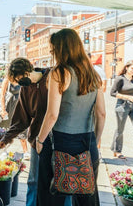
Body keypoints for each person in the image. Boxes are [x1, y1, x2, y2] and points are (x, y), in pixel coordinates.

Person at [36, 28, 105, 206]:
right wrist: (96, 140)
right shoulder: (93, 74)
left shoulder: (59, 73)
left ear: (61, 49)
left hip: (60, 141)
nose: (51, 52)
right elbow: (101, 113)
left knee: (50, 196)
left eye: (53, 48)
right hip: (87, 142)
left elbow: (52, 114)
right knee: (87, 196)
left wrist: (39, 139)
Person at [0, 60, 50, 206]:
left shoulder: (52, 78)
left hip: (56, 139)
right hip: (35, 140)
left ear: (26, 73)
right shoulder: (25, 89)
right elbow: (21, 119)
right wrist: (6, 138)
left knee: (54, 182)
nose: (18, 85)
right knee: (33, 180)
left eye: (18, 80)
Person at [0, 58, 31, 159]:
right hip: (10, 105)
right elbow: (2, 94)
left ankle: (25, 151)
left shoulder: (26, 81)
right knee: (6, 126)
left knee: (22, 128)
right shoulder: (8, 79)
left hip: (19, 104)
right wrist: (3, 109)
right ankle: (4, 150)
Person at [110, 60, 133, 159]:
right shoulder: (120, 79)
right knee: (120, 129)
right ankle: (117, 151)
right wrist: (128, 97)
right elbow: (112, 93)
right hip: (122, 106)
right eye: (132, 68)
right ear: (127, 68)